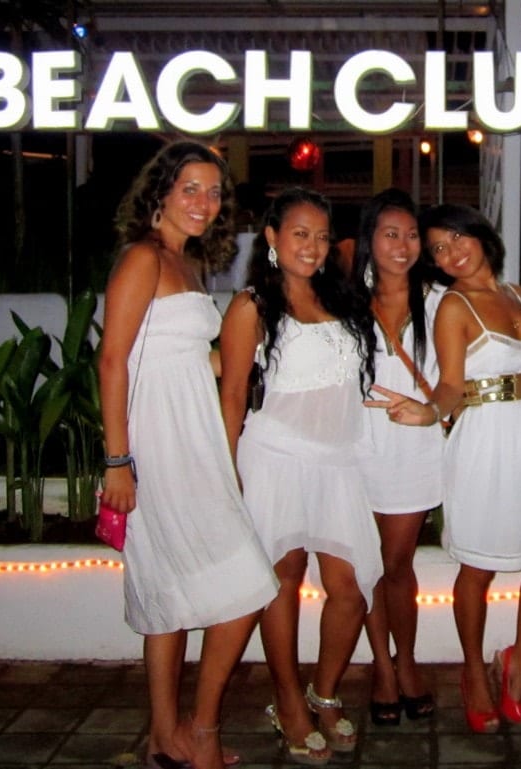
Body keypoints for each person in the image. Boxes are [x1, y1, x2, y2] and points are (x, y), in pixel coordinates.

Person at [98, 140, 279, 769]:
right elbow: (113, 359)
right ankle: (196, 730)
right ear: (160, 193)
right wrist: (118, 461)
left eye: (213, 192)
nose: (204, 203)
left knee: (169, 591)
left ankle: (163, 736)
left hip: (191, 433)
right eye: (190, 189)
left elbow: (177, 353)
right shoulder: (143, 258)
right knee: (251, 582)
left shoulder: (186, 262)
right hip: (159, 443)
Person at [366, 204, 521, 733]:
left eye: (457, 237)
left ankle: (518, 662)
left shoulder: (515, 295)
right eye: (438, 248)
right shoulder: (452, 307)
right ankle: (473, 674)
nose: (451, 252)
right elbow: (452, 383)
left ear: (480, 236)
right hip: (483, 438)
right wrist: (431, 410)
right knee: (477, 569)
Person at [219, 187, 381, 764]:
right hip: (275, 458)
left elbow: (351, 382)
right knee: (282, 579)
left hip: (338, 462)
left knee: (350, 587)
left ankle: (325, 690)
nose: (310, 246)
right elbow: (233, 394)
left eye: (319, 235)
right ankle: (287, 700)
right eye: (298, 234)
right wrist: (227, 473)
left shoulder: (343, 298)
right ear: (271, 238)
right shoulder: (249, 307)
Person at [352, 189, 442, 726]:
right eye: (391, 234)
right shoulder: (344, 300)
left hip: (413, 447)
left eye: (411, 235)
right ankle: (383, 667)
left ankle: (405, 660)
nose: (403, 245)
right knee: (367, 567)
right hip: (356, 446)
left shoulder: (437, 301)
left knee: (397, 563)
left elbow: (456, 376)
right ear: (370, 240)